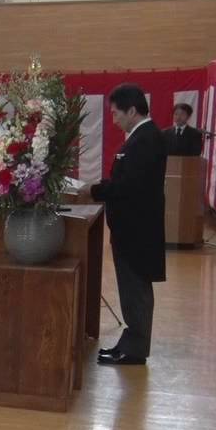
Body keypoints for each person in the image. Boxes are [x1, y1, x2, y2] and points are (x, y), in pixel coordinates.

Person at [91, 83, 167, 366]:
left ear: (132, 111)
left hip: (137, 230)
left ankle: (134, 349)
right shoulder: (140, 136)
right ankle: (132, 341)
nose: (113, 119)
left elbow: (130, 186)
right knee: (131, 288)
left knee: (136, 289)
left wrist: (96, 191)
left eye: (116, 114)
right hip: (132, 228)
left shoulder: (146, 139)